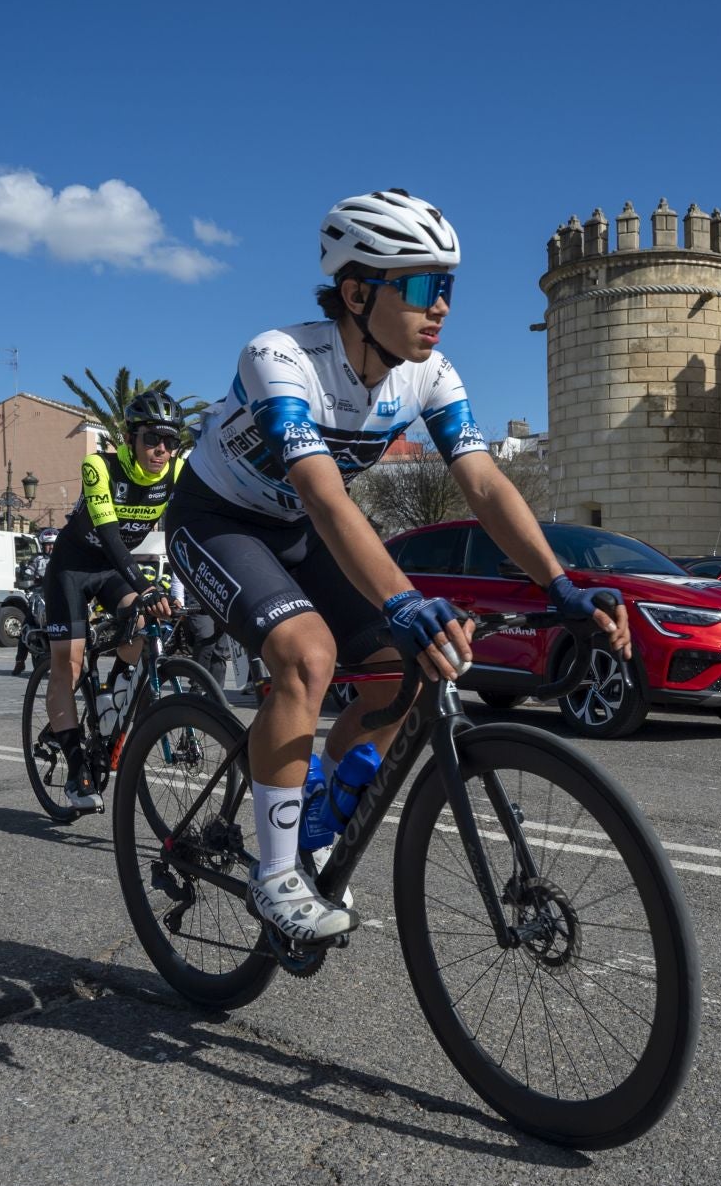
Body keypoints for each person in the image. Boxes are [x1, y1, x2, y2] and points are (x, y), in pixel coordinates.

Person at [163, 188, 630, 943]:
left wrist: (561, 583)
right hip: (218, 520)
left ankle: (317, 809)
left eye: (446, 286)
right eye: (418, 286)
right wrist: (408, 598)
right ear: (355, 292)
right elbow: (320, 493)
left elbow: (483, 483)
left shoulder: (430, 374)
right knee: (306, 656)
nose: (439, 305)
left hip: (300, 526)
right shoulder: (280, 357)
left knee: (407, 669)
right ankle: (275, 873)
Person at [41, 392, 184, 811]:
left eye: (171, 442)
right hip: (72, 566)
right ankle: (75, 769)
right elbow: (108, 535)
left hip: (112, 571)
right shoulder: (99, 466)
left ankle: (107, 699)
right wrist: (146, 585)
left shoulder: (175, 471)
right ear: (130, 437)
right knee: (68, 662)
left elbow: (183, 531)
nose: (162, 450)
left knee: (143, 629)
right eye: (153, 438)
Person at [11, 527, 58, 677]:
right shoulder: (37, 560)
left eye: (53, 544)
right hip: (40, 598)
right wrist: (27, 575)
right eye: (47, 545)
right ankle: (20, 661)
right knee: (26, 626)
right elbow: (27, 575)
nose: (50, 547)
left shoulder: (64, 559)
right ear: (42, 545)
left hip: (59, 598)